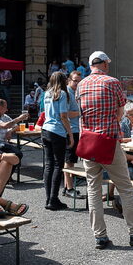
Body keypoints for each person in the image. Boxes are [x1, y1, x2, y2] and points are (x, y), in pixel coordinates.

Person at [76, 50, 133, 249]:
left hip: (89, 142)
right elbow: (121, 112)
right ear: (105, 64)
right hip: (109, 141)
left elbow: (81, 115)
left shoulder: (81, 84)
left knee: (93, 189)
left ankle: (100, 236)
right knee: (125, 187)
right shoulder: (112, 82)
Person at [41, 71, 74, 210]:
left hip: (45, 130)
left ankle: (49, 198)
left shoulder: (47, 93)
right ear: (62, 80)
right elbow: (63, 116)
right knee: (57, 165)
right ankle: (53, 199)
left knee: (49, 165)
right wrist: (70, 134)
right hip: (57, 131)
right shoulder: (62, 94)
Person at [63, 70, 85, 200]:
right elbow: (65, 113)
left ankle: (67, 187)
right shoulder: (66, 93)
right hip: (70, 130)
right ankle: (69, 188)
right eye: (75, 81)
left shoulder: (76, 93)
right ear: (69, 80)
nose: (77, 83)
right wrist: (81, 112)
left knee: (71, 160)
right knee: (69, 160)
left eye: (79, 81)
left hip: (76, 129)